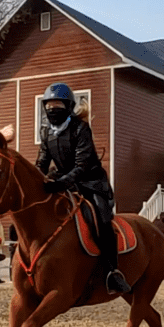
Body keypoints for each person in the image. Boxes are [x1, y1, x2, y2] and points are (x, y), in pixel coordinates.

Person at [36, 82, 132, 294]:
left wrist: (61, 183)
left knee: (102, 220)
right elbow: (41, 164)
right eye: (49, 105)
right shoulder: (46, 133)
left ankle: (112, 272)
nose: (53, 109)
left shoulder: (80, 129)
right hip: (63, 183)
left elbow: (82, 166)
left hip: (91, 183)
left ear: (68, 106)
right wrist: (36, 182)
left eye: (58, 105)